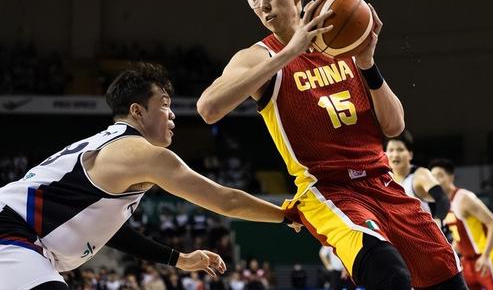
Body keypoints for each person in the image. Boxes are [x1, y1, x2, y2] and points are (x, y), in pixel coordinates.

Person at [197, 0, 464, 290]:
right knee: (389, 273)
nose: (261, 4)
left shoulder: (342, 44)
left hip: (382, 181)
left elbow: (394, 126)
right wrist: (289, 53)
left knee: (447, 277)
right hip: (327, 189)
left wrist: (367, 63)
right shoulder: (259, 56)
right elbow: (208, 108)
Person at [0, 63, 298, 290]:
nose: (172, 114)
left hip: (24, 239)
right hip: (10, 231)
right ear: (137, 111)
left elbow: (110, 231)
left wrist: (179, 259)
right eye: (164, 104)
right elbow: (225, 200)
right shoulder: (141, 154)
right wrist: (287, 215)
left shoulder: (111, 146)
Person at [429, 159, 493, 290]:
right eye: (433, 177)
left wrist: (485, 256)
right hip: (467, 262)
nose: (436, 180)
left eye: (440, 176)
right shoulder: (444, 204)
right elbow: (459, 236)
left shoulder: (464, 198)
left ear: (451, 177)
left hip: (485, 258)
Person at [385, 131, 451, 225]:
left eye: (400, 150)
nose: (395, 155)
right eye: (391, 150)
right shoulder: (384, 179)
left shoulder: (420, 175)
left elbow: (442, 199)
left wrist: (437, 221)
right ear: (384, 154)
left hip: (424, 231)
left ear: (410, 154)